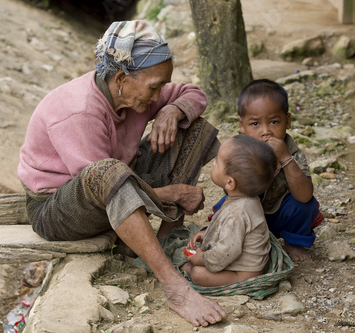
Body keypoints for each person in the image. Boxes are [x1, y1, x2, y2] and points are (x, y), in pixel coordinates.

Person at [18, 20, 226, 327]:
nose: (157, 95)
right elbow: (105, 184)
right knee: (108, 172)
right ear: (120, 78)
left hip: (115, 180)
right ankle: (174, 287)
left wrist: (173, 110)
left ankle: (161, 243)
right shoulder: (79, 111)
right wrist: (174, 193)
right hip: (58, 210)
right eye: (154, 86)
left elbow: (192, 93)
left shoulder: (136, 92)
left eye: (160, 87)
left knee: (194, 127)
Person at [213, 79, 324, 262]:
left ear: (287, 121)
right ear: (242, 125)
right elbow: (228, 187)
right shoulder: (240, 150)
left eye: (274, 122)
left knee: (305, 206)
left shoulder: (292, 152)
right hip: (249, 211)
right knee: (224, 206)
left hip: (282, 215)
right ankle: (236, 242)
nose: (266, 132)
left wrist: (285, 159)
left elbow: (304, 195)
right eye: (255, 124)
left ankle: (293, 242)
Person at [180, 135, 277, 287]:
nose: (213, 163)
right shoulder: (244, 199)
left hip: (244, 273)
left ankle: (186, 269)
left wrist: (202, 258)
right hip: (242, 262)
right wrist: (206, 234)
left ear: (230, 182)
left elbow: (227, 251)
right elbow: (232, 234)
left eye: (217, 162)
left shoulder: (237, 213)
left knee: (198, 273)